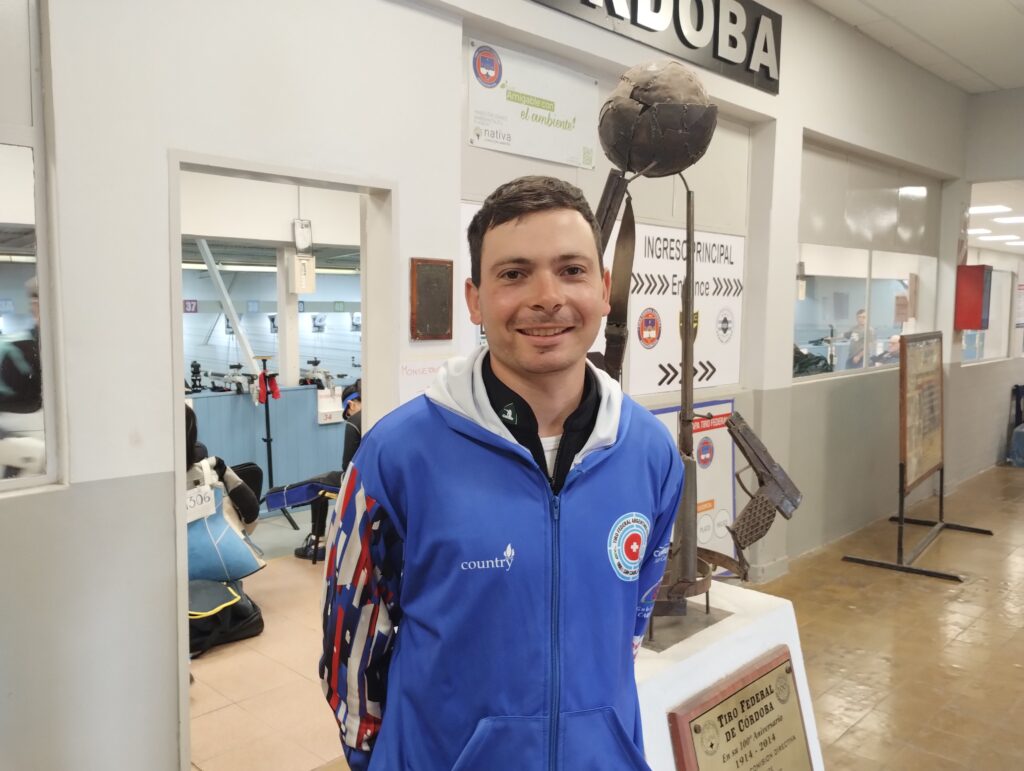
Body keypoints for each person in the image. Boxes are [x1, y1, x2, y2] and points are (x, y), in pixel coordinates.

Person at [320, 176, 684, 770]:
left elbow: (631, 624)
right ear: (475, 299)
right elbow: (352, 653)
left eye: (571, 270)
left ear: (604, 288)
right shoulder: (396, 457)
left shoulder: (650, 452)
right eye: (514, 274)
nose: (547, 297)